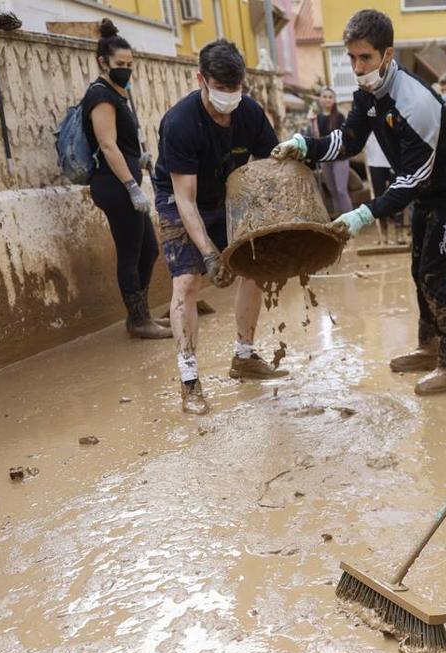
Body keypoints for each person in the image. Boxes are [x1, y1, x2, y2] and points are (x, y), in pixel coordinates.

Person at [273, 9, 446, 396]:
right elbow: (348, 141)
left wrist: (363, 213)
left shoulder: (415, 101)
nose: (356, 66)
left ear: (387, 55)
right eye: (351, 57)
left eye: (365, 57)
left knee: (435, 276)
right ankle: (430, 345)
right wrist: (306, 146)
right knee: (418, 268)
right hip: (426, 192)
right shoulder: (368, 94)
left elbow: (413, 178)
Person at [152, 39, 287, 416]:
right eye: (221, 88)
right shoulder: (180, 123)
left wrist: (271, 224)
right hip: (182, 199)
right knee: (187, 283)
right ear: (202, 80)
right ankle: (189, 379)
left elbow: (267, 170)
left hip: (230, 192)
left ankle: (244, 356)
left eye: (235, 88)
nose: (229, 96)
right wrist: (210, 253)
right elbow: (185, 200)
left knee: (254, 267)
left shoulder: (251, 114)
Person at [82, 19, 170, 340]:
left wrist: (140, 159)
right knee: (132, 252)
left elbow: (122, 141)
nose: (126, 70)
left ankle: (141, 314)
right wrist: (132, 187)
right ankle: (137, 320)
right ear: (102, 62)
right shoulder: (101, 95)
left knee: (149, 250)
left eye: (130, 65)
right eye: (120, 64)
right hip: (115, 186)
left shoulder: (116, 92)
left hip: (124, 181)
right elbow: (106, 144)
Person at [310, 87, 352, 214]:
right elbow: (316, 138)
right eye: (324, 96)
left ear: (334, 100)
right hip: (325, 158)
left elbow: (344, 137)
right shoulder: (317, 117)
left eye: (330, 97)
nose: (327, 99)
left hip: (339, 157)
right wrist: (312, 122)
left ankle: (349, 221)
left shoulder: (339, 117)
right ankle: (340, 221)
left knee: (341, 190)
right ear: (320, 99)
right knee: (333, 191)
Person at [362, 132, 403, 244]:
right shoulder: (366, 116)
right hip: (375, 161)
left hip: (393, 160)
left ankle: (399, 233)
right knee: (378, 197)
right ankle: (383, 235)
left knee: (398, 194)